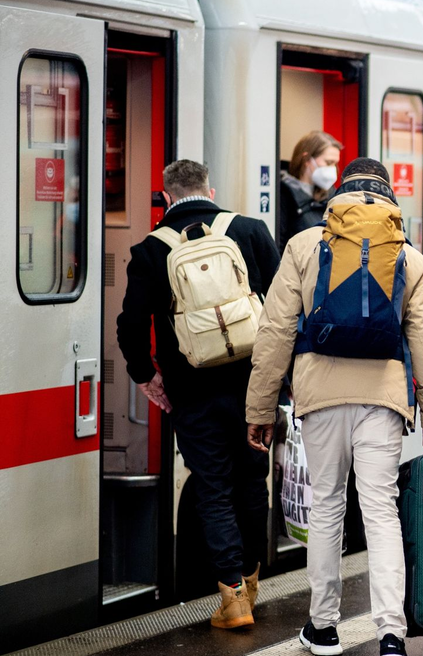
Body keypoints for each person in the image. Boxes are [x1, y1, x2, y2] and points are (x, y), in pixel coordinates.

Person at [245, 158, 423, 656]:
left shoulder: (302, 246)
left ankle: (323, 627)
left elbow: (274, 332)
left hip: (319, 394)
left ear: (340, 195)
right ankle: (390, 634)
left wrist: (259, 407)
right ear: (389, 197)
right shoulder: (411, 258)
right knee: (380, 512)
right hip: (383, 399)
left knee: (328, 506)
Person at [116, 159, 280, 629]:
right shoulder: (249, 230)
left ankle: (232, 600)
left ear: (166, 196)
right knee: (252, 482)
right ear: (211, 188)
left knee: (213, 487)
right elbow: (285, 304)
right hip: (253, 386)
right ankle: (251, 581)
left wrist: (147, 376)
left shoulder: (151, 248)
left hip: (191, 391)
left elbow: (131, 324)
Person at [279, 131, 343, 244]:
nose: (333, 169)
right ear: (307, 160)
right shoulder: (283, 195)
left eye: (335, 164)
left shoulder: (332, 195)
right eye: (328, 162)